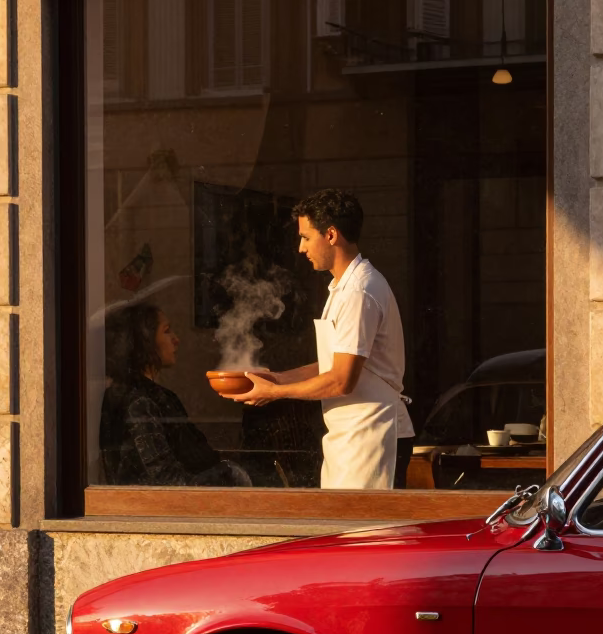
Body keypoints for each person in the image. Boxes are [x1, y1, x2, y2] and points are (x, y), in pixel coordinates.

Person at [223, 189, 415, 489]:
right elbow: (333, 364)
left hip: (371, 434)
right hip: (349, 436)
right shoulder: (343, 287)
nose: (301, 248)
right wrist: (276, 379)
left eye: (306, 237)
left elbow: (341, 381)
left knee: (362, 534)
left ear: (331, 235)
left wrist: (275, 394)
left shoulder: (359, 291)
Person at [100, 303, 250, 486]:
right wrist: (229, 473)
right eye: (167, 331)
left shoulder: (158, 396)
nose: (176, 339)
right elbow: (167, 482)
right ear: (143, 341)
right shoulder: (138, 402)